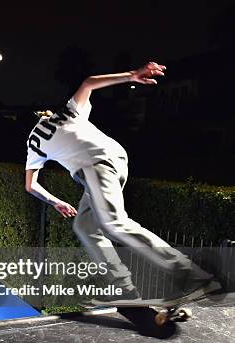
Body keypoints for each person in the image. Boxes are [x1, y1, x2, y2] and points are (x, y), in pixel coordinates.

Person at [24, 62, 211, 305]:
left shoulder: (33, 142)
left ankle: (192, 276)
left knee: (114, 223)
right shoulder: (67, 112)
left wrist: (56, 202)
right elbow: (89, 82)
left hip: (93, 167)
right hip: (116, 159)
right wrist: (132, 75)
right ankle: (123, 287)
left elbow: (31, 185)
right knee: (85, 225)